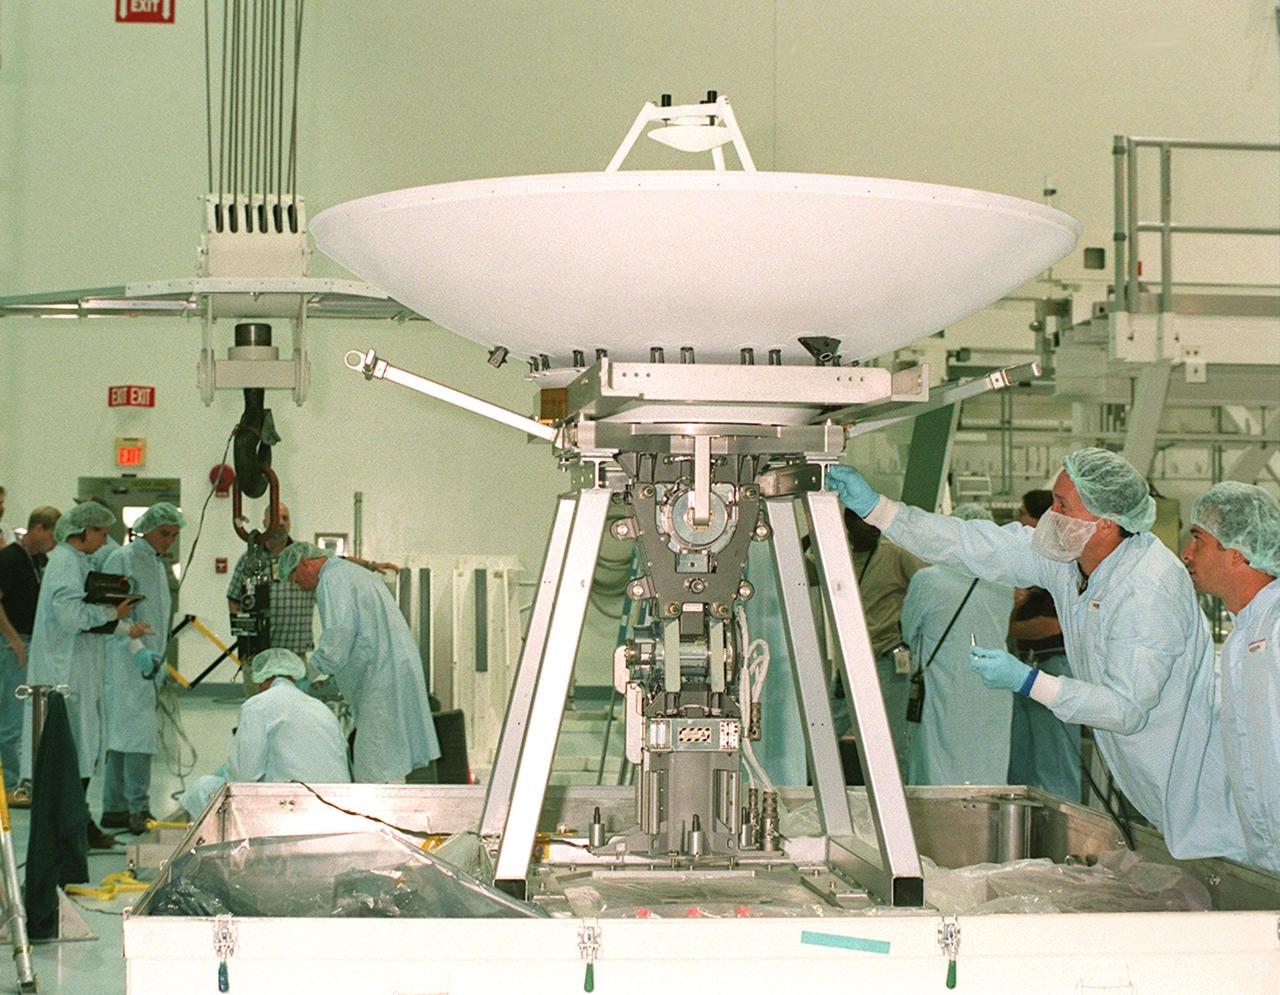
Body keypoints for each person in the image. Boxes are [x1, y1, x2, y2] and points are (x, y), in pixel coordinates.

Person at [828, 448, 1244, 861]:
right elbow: (974, 545)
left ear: (1103, 523)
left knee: (1228, 885)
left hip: (1199, 792)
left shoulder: (1148, 588)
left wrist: (1031, 682)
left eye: (1062, 505)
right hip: (1150, 781)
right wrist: (882, 511)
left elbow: (1126, 708)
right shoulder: (1072, 560)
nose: (1050, 516)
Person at [22, 501, 148, 849]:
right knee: (75, 748)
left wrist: (126, 628)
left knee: (85, 746)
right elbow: (70, 617)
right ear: (84, 531)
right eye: (103, 533)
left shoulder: (76, 562)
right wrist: (113, 611)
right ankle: (74, 828)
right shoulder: (65, 563)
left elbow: (87, 617)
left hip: (78, 668)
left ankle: (79, 823)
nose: (106, 540)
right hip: (65, 672)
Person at [278, 541, 439, 783]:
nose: (299, 587)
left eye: (294, 579)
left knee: (373, 769)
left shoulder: (332, 580)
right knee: (389, 761)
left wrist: (307, 673)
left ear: (304, 563)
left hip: (380, 678)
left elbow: (338, 638)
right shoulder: (350, 573)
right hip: (389, 670)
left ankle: (384, 820)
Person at [1181, 482, 1280, 874]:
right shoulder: (1244, 634)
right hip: (1264, 855)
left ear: (1236, 552)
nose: (1187, 554)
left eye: (1198, 540)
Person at [227, 503, 397, 694]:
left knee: (296, 716)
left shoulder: (303, 556)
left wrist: (371, 565)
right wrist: (244, 635)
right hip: (259, 655)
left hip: (295, 653)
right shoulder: (250, 560)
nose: (281, 523)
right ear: (265, 522)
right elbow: (234, 597)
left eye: (285, 518)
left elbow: (334, 559)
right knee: (258, 709)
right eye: (276, 517)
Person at [902, 504, 1014, 785]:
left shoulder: (928, 580)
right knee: (987, 766)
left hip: (944, 687)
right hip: (993, 689)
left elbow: (908, 631)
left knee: (939, 766)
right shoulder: (1004, 583)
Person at [174, 648, 351, 820]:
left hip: (290, 809)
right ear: (295, 677)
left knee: (201, 789)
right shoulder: (321, 708)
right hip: (337, 807)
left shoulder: (258, 705)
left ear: (260, 681)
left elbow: (243, 778)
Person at [100, 502, 185, 835]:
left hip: (145, 661)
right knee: (135, 738)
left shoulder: (153, 561)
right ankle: (136, 808)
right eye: (164, 533)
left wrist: (156, 657)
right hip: (125, 660)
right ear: (145, 528)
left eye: (174, 535)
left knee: (124, 737)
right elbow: (117, 611)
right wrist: (137, 650)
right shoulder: (124, 559)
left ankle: (114, 809)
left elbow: (156, 614)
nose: (169, 540)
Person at [838, 509, 929, 770]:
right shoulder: (838, 557)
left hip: (891, 658)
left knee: (894, 738)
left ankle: (899, 802)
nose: (874, 528)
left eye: (876, 523)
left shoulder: (895, 555)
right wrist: (814, 534)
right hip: (851, 660)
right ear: (848, 524)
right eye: (866, 523)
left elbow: (928, 585)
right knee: (830, 727)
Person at [1007, 489, 1083, 801]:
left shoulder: (1065, 565)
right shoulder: (1029, 567)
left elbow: (1053, 625)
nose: (1017, 521)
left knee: (1057, 767)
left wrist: (1008, 626)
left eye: (1021, 514)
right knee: (1021, 768)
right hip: (1027, 669)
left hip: (1054, 669)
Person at [0, 506, 60, 805]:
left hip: (31, 640)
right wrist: (14, 641)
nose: (55, 540)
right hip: (12, 643)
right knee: (11, 718)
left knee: (24, 716)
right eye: (53, 533)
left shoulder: (38, 560)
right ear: (39, 528)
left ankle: (18, 778)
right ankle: (9, 785)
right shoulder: (9, 559)